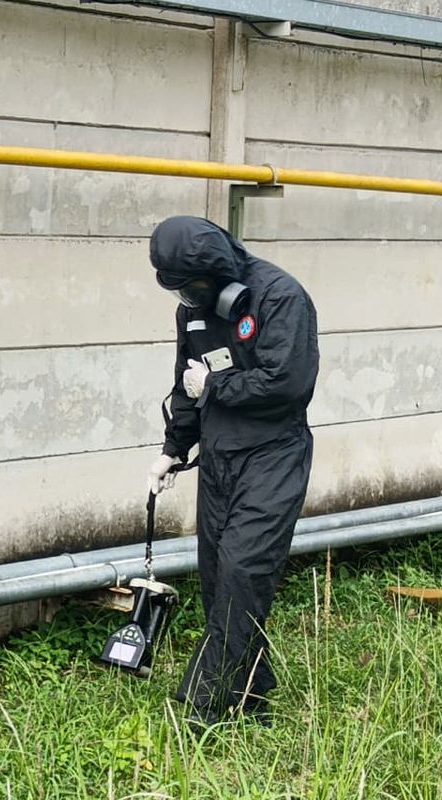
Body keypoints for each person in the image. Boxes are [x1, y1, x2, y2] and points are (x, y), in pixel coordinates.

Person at [146, 215, 319, 728]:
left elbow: (288, 383)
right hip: (219, 461)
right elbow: (185, 379)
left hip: (272, 456)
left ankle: (199, 711)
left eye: (190, 288)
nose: (185, 299)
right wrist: (173, 450)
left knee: (245, 574)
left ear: (215, 274)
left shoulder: (280, 297)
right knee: (219, 581)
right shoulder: (194, 312)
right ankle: (253, 699)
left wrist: (216, 388)